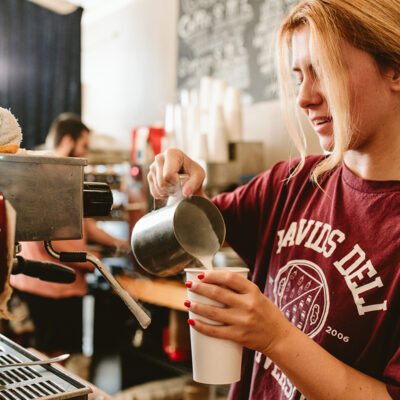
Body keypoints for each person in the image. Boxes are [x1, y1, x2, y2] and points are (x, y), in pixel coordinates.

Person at [147, 1, 400, 399]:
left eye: (324, 70)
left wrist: (274, 337)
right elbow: (186, 241)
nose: (304, 98)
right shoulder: (292, 183)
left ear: (395, 70)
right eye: (299, 76)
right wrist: (178, 192)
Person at [11, 113, 130, 358]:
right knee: (54, 356)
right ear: (67, 141)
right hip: (52, 286)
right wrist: (88, 259)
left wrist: (122, 245)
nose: (85, 153)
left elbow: (86, 224)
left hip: (43, 284)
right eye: (83, 145)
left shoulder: (58, 175)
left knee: (43, 354)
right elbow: (48, 238)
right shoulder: (53, 175)